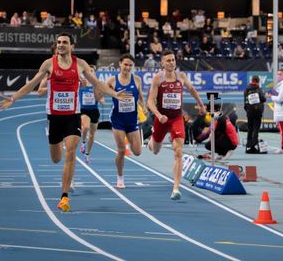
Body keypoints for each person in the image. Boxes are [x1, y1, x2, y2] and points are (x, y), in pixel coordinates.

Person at [0, 32, 131, 212]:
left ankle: (64, 197)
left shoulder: (80, 64)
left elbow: (97, 83)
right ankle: (56, 147)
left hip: (72, 115)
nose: (60, 45)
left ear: (72, 46)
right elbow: (32, 84)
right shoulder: (48, 64)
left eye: (64, 42)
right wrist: (13, 98)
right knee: (56, 158)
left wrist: (115, 94)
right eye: (58, 42)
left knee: (70, 152)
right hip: (54, 116)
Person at [147, 49, 207, 200]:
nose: (171, 63)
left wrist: (201, 104)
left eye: (173, 60)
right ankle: (152, 142)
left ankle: (176, 189)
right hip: (162, 119)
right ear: (162, 63)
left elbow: (192, 90)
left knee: (178, 152)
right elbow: (150, 101)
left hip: (176, 118)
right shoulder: (158, 79)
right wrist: (159, 115)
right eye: (168, 60)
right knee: (155, 150)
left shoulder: (181, 76)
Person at [106, 54, 146, 189]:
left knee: (138, 151)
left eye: (130, 65)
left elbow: (140, 96)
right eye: (125, 64)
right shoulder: (112, 80)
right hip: (118, 120)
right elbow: (102, 90)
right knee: (122, 150)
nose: (127, 67)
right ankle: (120, 177)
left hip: (132, 119)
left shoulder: (137, 80)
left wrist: (144, 106)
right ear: (120, 64)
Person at [79, 65, 104, 164]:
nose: (90, 73)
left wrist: (101, 100)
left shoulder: (97, 85)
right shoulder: (82, 84)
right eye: (88, 71)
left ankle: (87, 154)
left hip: (94, 111)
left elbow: (101, 98)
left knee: (92, 135)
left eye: (92, 71)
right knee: (85, 128)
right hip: (84, 110)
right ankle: (83, 143)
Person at [243, 75, 266, 154]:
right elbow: (263, 99)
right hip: (257, 112)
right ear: (258, 81)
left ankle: (248, 147)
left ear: (251, 80)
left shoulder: (246, 89)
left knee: (250, 129)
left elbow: (245, 102)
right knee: (256, 129)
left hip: (249, 112)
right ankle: (254, 147)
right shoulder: (259, 89)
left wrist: (247, 110)